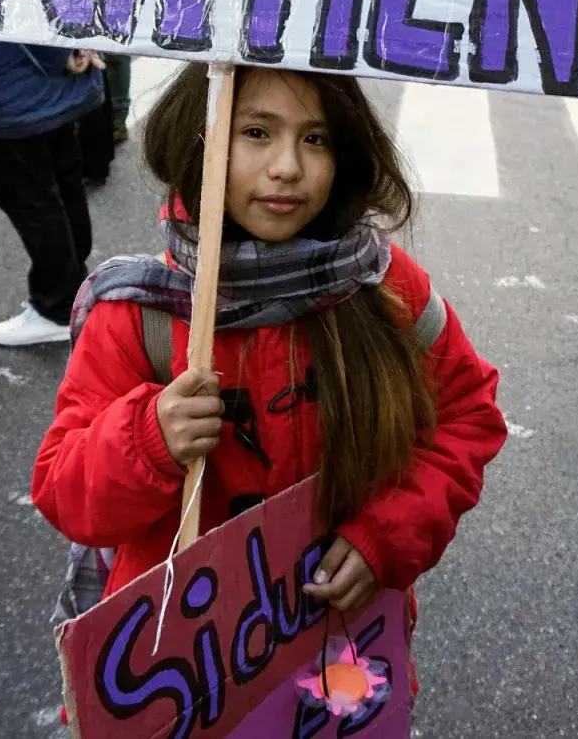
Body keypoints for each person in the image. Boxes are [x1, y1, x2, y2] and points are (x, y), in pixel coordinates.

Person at [32, 64, 506, 689]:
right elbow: (64, 490)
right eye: (256, 132)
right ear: (201, 140)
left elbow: (465, 417)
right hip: (185, 667)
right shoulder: (137, 315)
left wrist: (386, 535)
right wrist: (148, 440)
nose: (287, 167)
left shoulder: (382, 288)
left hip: (337, 653)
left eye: (315, 139)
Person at [0, 38, 104, 346]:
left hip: (13, 89)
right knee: (61, 189)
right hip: (39, 85)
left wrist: (59, 52)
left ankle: (58, 306)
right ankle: (73, 291)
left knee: (33, 200)